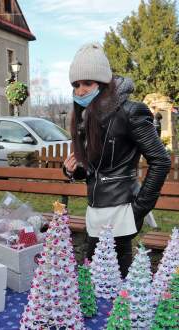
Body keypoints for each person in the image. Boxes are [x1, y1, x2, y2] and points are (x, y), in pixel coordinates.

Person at [63, 43, 170, 277]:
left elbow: (161, 160)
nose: (80, 91)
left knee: (117, 283)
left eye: (87, 83)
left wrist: (139, 208)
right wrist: (74, 170)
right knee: (93, 278)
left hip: (122, 210)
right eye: (76, 84)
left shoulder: (132, 112)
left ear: (103, 83)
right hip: (95, 210)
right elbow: (96, 169)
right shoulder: (85, 116)